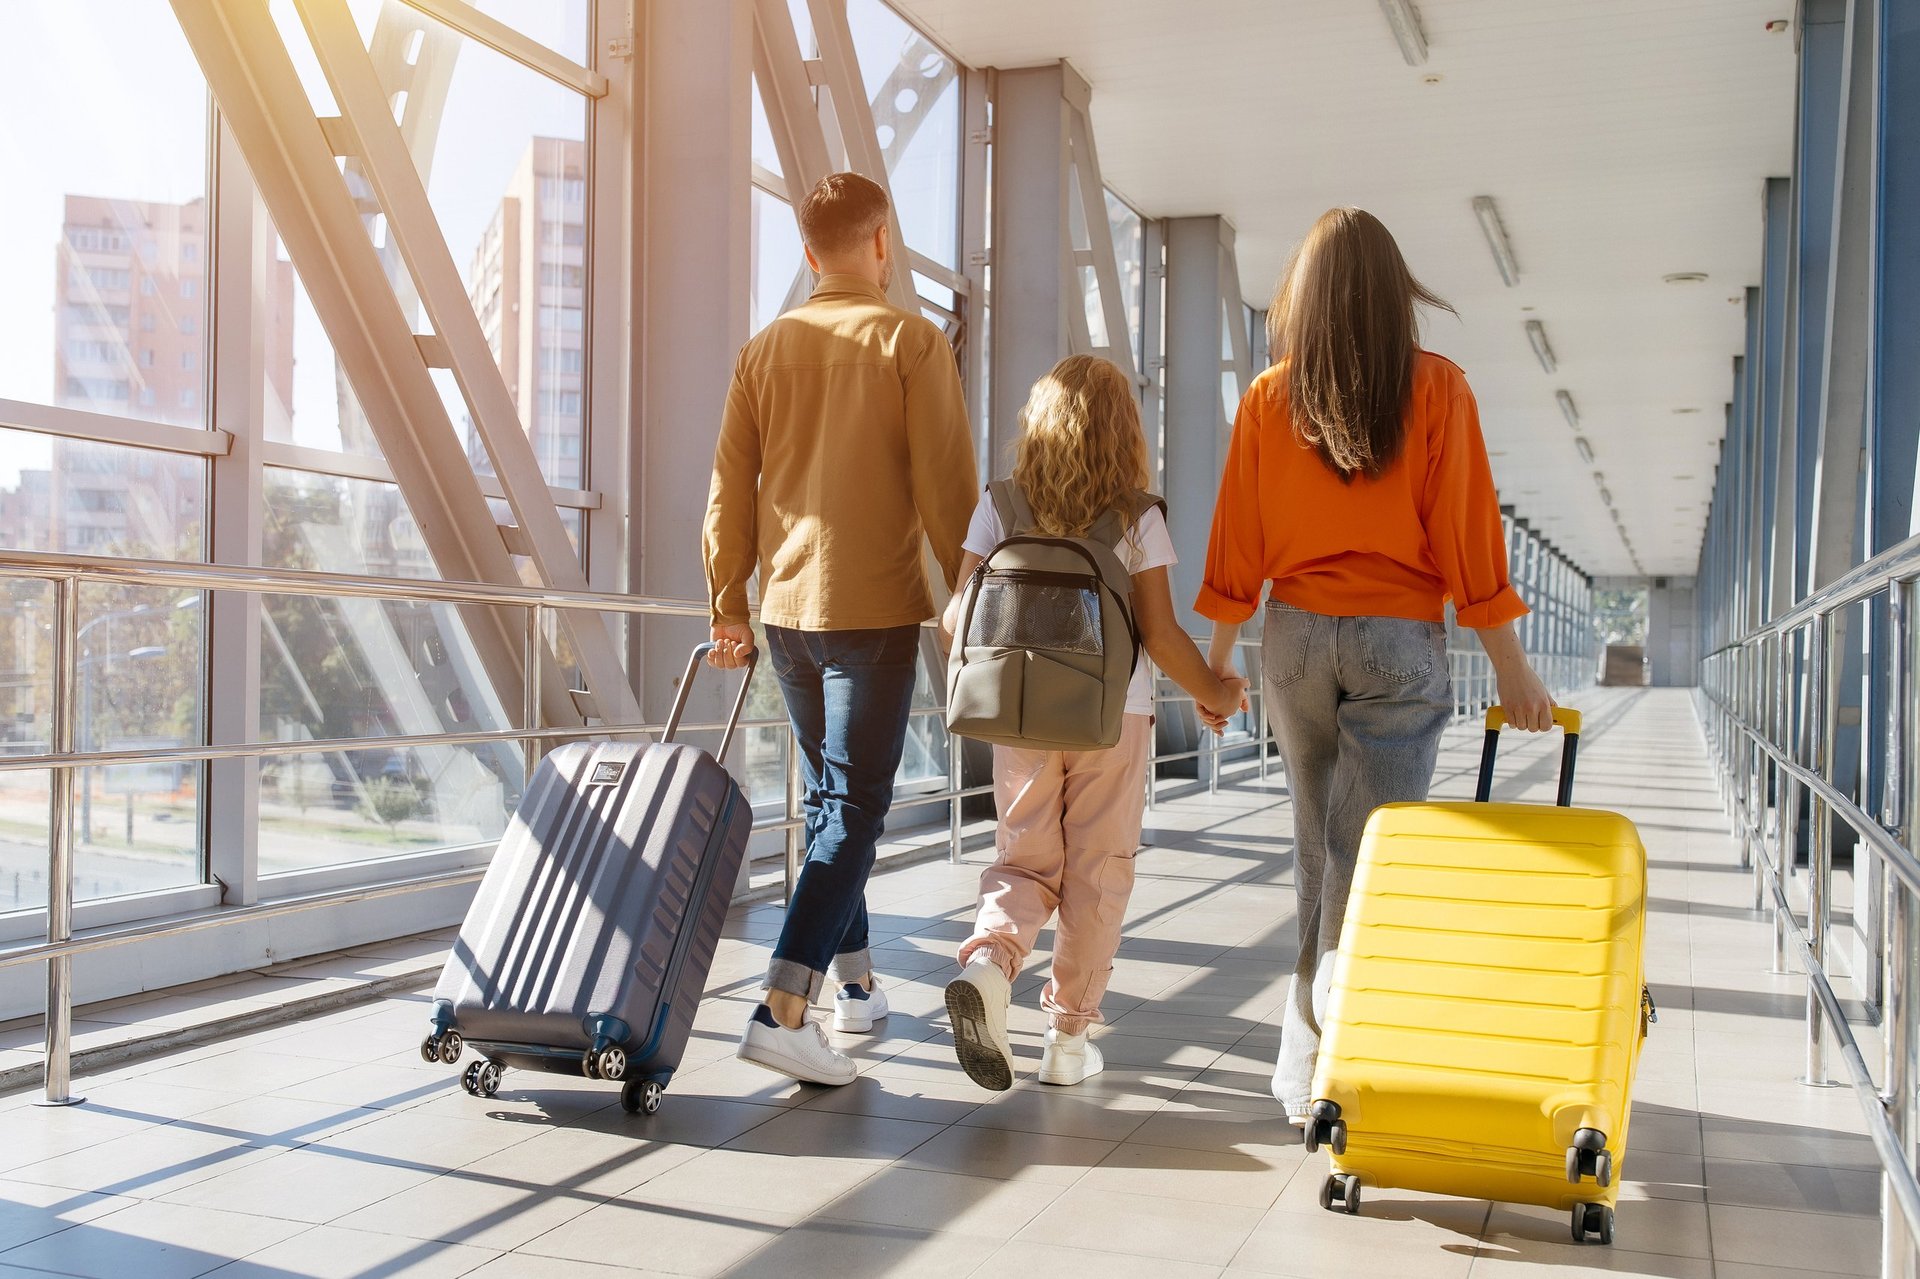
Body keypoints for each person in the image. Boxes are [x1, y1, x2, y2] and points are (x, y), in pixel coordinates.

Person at [1194, 207, 1555, 1122]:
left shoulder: (1267, 399)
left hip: (1294, 639)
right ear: (1397, 294)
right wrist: (1509, 664)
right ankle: (1323, 1049)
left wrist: (1218, 665)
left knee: (1320, 840)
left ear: (1300, 301)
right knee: (1370, 850)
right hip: (1398, 642)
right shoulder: (1438, 389)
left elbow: (1239, 539)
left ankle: (1301, 1055)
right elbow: (1468, 536)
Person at [703, 172, 979, 1086]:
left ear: (810, 252)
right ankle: (782, 1007)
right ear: (882, 241)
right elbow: (949, 490)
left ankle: (857, 991)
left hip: (785, 617)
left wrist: (727, 604)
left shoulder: (761, 352)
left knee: (831, 804)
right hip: (873, 610)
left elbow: (728, 493)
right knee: (855, 810)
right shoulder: (910, 341)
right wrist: (966, 594)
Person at [939, 355, 1249, 1091]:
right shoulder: (1136, 515)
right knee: (1096, 873)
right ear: (1123, 433)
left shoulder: (1001, 503)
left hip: (1019, 716)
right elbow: (1163, 636)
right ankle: (1066, 1040)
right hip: (1114, 716)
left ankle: (989, 965)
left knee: (1023, 859)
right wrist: (1219, 692)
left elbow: (955, 619)